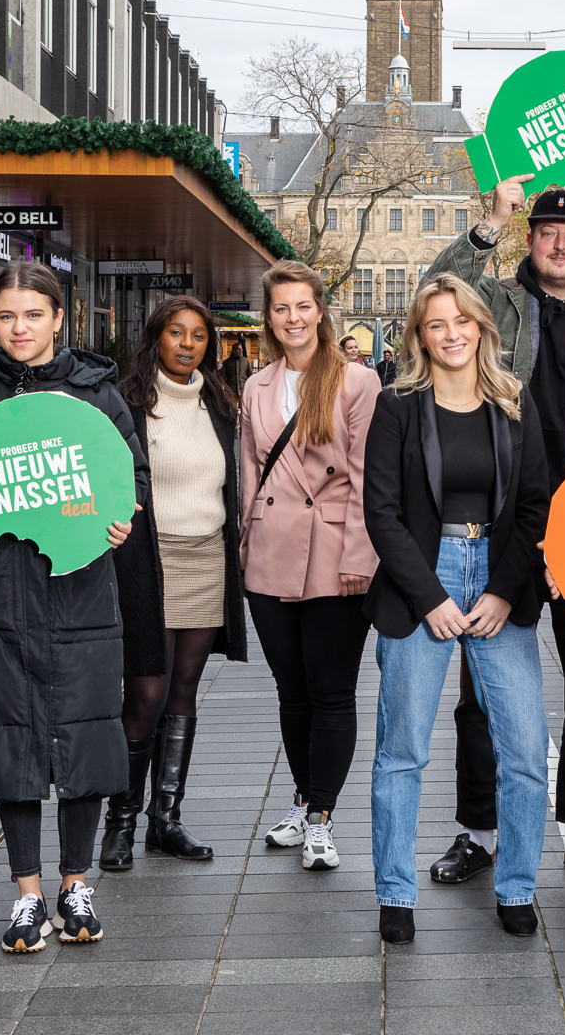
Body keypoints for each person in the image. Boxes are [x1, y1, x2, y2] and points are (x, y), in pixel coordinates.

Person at [423, 177, 565, 887]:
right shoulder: (495, 303)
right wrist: (488, 224)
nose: (560, 243)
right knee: (482, 692)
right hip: (504, 522)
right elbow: (433, 291)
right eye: (545, 232)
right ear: (530, 238)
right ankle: (477, 832)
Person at [0, 262, 146, 954]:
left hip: (79, 594)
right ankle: (27, 896)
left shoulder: (100, 398)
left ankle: (74, 883)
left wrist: (124, 518)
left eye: (33, 314)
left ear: (60, 316)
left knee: (83, 735)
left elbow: (131, 477)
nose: (19, 328)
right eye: (6, 316)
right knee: (10, 742)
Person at [363, 274, 552, 946]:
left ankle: (518, 887)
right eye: (436, 324)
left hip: (499, 578)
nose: (451, 334)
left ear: (482, 328)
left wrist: (502, 590)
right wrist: (432, 598)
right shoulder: (398, 407)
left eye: (462, 321)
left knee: (526, 751)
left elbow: (535, 507)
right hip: (425, 578)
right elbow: (380, 514)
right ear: (418, 335)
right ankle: (396, 892)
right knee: (403, 750)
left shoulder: (513, 402)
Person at [241, 261, 382, 871]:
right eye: (281, 308)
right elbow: (251, 472)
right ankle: (303, 800)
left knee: (331, 692)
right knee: (290, 690)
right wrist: (246, 545)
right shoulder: (256, 385)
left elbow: (366, 478)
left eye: (303, 306)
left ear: (321, 310)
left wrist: (359, 556)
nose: (293, 318)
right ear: (269, 317)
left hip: (334, 555)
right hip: (271, 553)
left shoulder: (356, 381)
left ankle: (322, 816)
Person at [100, 297, 247, 870]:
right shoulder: (126, 402)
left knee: (183, 690)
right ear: (155, 338)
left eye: (199, 336)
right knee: (145, 694)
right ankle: (120, 822)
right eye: (176, 334)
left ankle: (166, 820)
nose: (187, 344)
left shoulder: (220, 403)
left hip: (207, 558)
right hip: (148, 563)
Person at [223, 338, 252, 404]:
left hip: (243, 390)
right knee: (233, 411)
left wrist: (250, 388)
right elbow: (223, 376)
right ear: (234, 350)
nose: (241, 351)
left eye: (241, 349)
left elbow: (250, 375)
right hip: (231, 390)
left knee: (244, 411)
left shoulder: (245, 361)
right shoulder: (227, 362)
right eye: (239, 349)